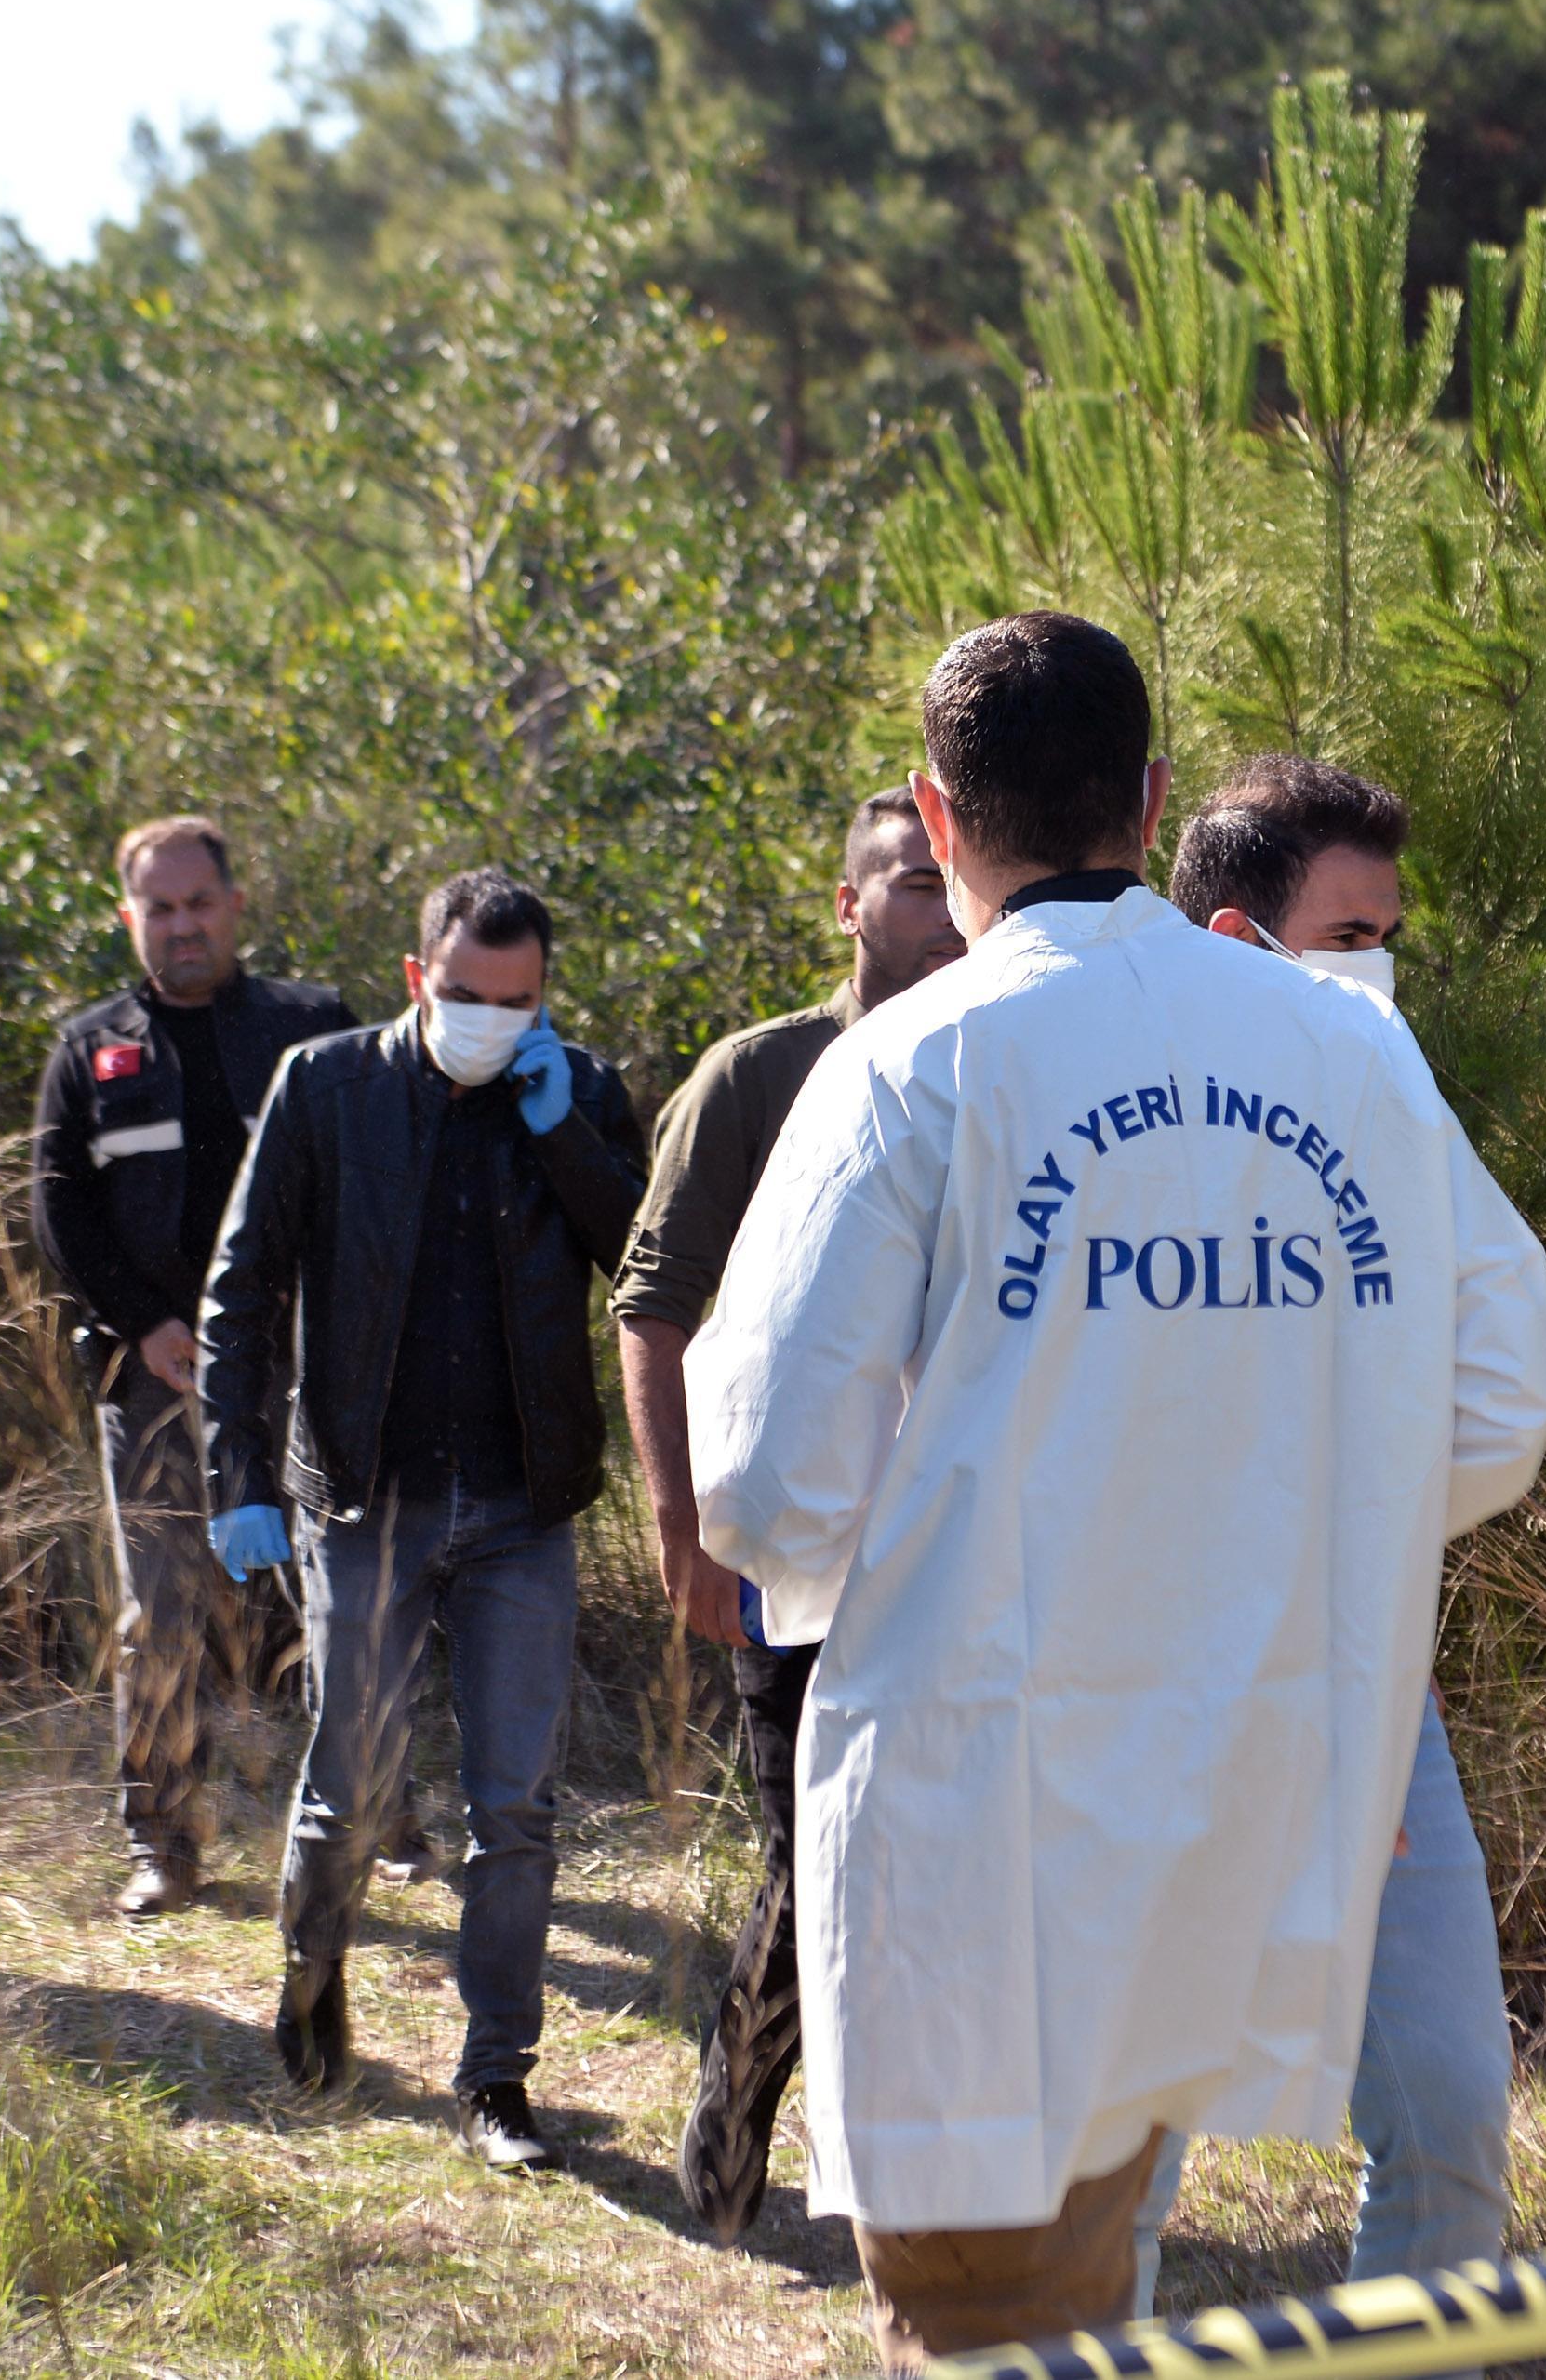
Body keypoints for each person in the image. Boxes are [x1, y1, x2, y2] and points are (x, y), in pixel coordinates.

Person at [689, 613, 1546, 2371]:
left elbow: (767, 1477)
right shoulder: (1349, 1055)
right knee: (1108, 2261)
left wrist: (982, 1499)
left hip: (987, 1814)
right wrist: (1280, 1524)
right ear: (1153, 798)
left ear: (936, 818)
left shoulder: (912, 1067)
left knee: (1001, 2316)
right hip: (1256, 1761)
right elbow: (1490, 1398)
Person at [195, 866, 648, 2173]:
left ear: (543, 997)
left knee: (517, 1810)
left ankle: (496, 2078)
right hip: (363, 1497)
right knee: (351, 1781)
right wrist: (239, 1483)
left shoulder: (578, 1090)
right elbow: (241, 1289)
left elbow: (647, 1260)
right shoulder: (328, 1089)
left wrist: (564, 1135)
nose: (488, 1021)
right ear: (417, 978)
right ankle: (312, 1969)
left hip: (520, 1506)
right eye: (464, 996)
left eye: (515, 1003)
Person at [1141, 751, 1513, 2301]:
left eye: (1388, 931)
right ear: (1235, 944)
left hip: (1366, 1706)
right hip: (1138, 1710)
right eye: (1352, 934)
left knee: (1448, 2109)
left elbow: (1471, 1381)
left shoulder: (1390, 1119)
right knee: (1112, 2156)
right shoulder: (1110, 1149)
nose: (1384, 968)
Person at [615, 785, 966, 2242]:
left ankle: (923, 2178)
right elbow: (653, 1302)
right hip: (796, 1554)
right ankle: (738, 2102)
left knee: (936, 1867)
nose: (933, 913)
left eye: (946, 884)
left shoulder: (1005, 1069)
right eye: (902, 886)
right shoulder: (761, 1079)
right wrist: (682, 1524)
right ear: (848, 905)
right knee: (811, 1859)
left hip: (958, 1549)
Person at [30, 817, 356, 1919]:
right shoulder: (91, 1050)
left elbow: (368, 1181)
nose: (181, 925)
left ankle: (375, 1823)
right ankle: (162, 1839)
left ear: (234, 904)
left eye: (198, 902)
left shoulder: (310, 1030)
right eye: (157, 908)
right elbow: (60, 1211)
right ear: (131, 918)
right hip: (156, 1375)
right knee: (160, 1614)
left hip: (303, 1373)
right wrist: (147, 1324)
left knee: (347, 1600)